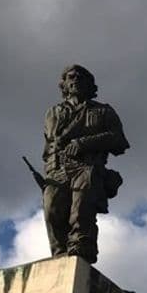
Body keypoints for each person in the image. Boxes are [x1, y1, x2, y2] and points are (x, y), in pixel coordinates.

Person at [41, 64, 129, 264]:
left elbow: (119, 141)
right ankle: (59, 255)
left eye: (81, 77)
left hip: (86, 167)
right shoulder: (54, 112)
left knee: (81, 212)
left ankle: (80, 252)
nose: (75, 80)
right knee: (52, 211)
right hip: (58, 168)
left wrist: (84, 143)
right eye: (71, 77)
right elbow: (54, 138)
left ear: (90, 85)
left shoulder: (103, 111)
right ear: (64, 84)